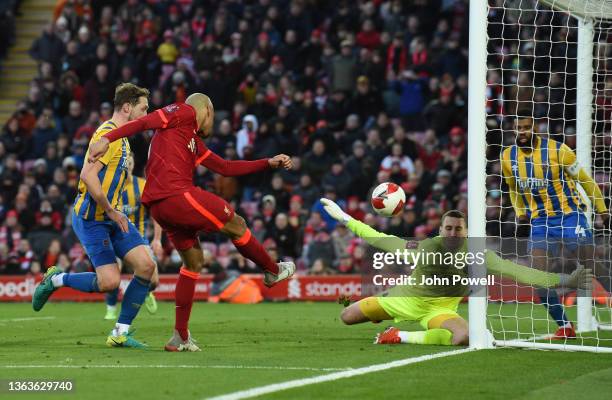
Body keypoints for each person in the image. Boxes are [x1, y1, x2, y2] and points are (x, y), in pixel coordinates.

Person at [88, 93, 295, 352]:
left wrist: (268, 162)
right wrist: (107, 138)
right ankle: (272, 270)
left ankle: (180, 336)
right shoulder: (184, 112)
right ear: (207, 109)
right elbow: (145, 122)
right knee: (237, 223)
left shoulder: (191, 140)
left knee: (194, 262)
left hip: (160, 207)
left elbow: (226, 167)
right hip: (176, 194)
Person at [320, 199, 592, 346]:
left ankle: (397, 335)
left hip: (438, 310)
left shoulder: (478, 255)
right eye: (448, 228)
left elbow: (519, 272)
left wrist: (565, 280)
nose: (452, 232)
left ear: (465, 232)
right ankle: (385, 310)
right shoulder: (424, 248)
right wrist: (345, 218)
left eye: (458, 229)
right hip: (402, 299)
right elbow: (380, 238)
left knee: (463, 337)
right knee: (347, 316)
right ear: (440, 231)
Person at [32, 83, 158, 349]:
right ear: (127, 107)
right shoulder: (107, 135)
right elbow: (87, 176)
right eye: (143, 108)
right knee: (109, 282)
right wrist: (111, 210)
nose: (147, 114)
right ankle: (55, 279)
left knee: (147, 267)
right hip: (93, 218)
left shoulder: (122, 138)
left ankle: (120, 333)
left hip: (113, 217)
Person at [501, 107, 610, 339]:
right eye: (518, 128)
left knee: (591, 264)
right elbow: (513, 188)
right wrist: (521, 212)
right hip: (541, 221)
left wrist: (602, 210)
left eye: (527, 127)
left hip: (570, 216)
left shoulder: (559, 151)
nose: (522, 132)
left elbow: (586, 181)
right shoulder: (507, 157)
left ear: (536, 128)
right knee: (537, 275)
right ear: (513, 129)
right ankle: (564, 326)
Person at [103, 152, 162, 320]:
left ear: (133, 165)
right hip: (115, 238)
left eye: (130, 163)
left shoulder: (143, 185)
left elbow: (156, 214)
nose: (127, 166)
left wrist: (157, 239)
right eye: (124, 163)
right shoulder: (110, 188)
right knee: (114, 271)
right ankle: (111, 307)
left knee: (154, 281)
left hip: (139, 239)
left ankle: (147, 292)